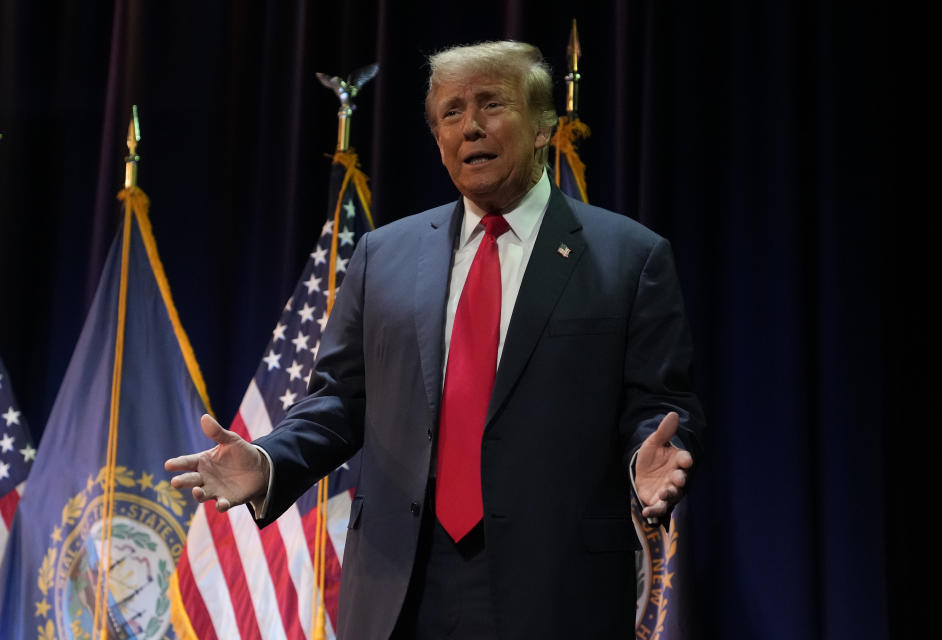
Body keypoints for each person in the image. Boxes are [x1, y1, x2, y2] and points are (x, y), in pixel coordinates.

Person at [167, 40, 704, 639]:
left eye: (491, 104)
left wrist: (646, 461)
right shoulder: (382, 256)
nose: (470, 126)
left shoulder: (629, 257)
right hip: (400, 582)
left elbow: (659, 404)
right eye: (450, 113)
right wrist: (269, 461)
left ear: (543, 127)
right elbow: (339, 403)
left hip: (556, 585)